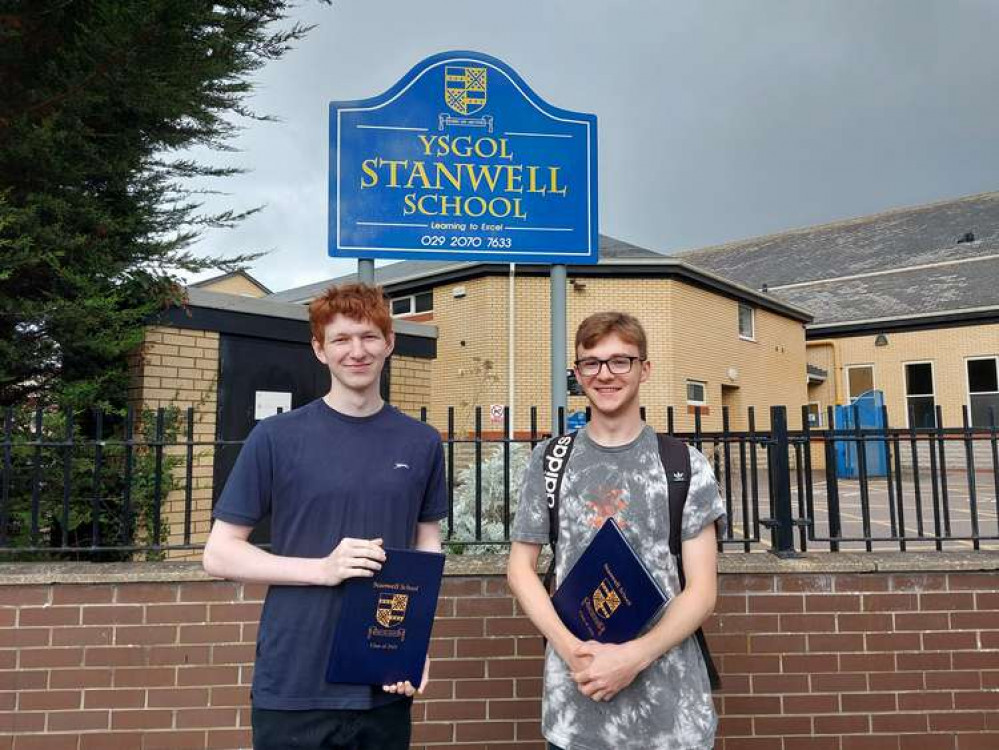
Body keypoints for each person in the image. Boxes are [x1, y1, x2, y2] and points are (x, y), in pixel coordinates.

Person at [203, 283, 446, 750]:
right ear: (319, 349)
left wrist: (415, 643)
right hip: (294, 682)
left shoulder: (422, 442)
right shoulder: (275, 438)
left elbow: (427, 548)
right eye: (341, 339)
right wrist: (322, 569)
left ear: (390, 342)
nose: (357, 351)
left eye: (369, 337)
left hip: (382, 680)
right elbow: (219, 553)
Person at [507, 311, 726, 750]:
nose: (605, 374)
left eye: (620, 361)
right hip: (576, 708)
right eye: (592, 362)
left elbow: (702, 591)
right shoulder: (551, 461)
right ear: (577, 373)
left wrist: (631, 658)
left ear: (645, 369)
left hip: (672, 718)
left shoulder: (683, 465)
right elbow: (520, 569)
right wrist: (573, 651)